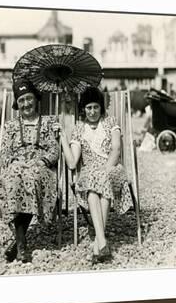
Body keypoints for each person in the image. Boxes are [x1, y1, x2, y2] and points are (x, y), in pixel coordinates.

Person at [53, 87, 133, 264]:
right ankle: (101, 244)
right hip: (90, 173)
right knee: (92, 189)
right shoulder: (79, 129)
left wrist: (105, 170)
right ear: (83, 109)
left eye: (96, 107)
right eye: (89, 107)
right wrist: (63, 138)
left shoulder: (111, 122)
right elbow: (73, 162)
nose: (92, 111)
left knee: (100, 181)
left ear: (101, 108)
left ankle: (99, 242)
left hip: (112, 168)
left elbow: (116, 149)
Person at [0, 79, 59, 263]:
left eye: (29, 99)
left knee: (31, 179)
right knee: (12, 182)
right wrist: (15, 163)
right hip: (17, 166)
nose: (26, 104)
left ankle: (19, 245)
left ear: (36, 99)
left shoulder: (47, 123)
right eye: (21, 101)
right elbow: (5, 152)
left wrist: (44, 161)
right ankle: (21, 243)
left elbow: (54, 150)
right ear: (17, 104)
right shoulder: (11, 126)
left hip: (40, 166)